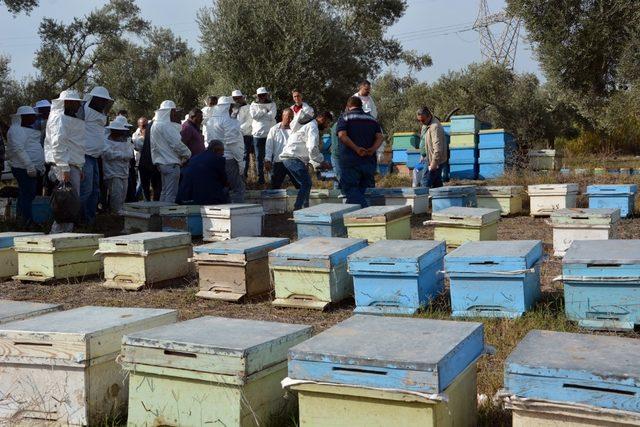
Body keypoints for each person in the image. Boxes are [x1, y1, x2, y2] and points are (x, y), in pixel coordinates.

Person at [44, 89, 86, 233]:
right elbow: (58, 143)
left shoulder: (67, 117)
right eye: (75, 103)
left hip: (71, 165)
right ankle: (56, 235)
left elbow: (75, 144)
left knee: (70, 203)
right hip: (63, 166)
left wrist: (79, 167)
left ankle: (65, 235)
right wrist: (64, 168)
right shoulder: (58, 117)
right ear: (66, 102)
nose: (77, 107)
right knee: (64, 203)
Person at [336, 96, 384, 207]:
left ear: (348, 107)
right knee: (364, 191)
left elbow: (342, 135)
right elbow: (380, 137)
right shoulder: (372, 119)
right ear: (361, 106)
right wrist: (372, 150)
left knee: (350, 190)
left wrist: (357, 149)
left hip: (351, 161)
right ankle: (354, 217)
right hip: (368, 161)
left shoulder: (344, 118)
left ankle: (367, 214)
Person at [280, 111, 332, 210]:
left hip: (291, 158)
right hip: (293, 158)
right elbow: (312, 148)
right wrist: (322, 161)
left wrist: (317, 162)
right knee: (307, 183)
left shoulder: (309, 125)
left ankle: (304, 208)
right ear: (322, 119)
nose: (327, 126)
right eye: (328, 123)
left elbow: (310, 151)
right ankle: (299, 209)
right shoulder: (313, 127)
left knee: (305, 183)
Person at [6, 106, 45, 224]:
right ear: (22, 117)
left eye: (34, 117)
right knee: (27, 194)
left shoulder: (24, 129)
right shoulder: (16, 130)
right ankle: (26, 220)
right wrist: (30, 166)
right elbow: (19, 149)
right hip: (23, 168)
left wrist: (39, 166)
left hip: (29, 167)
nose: (33, 119)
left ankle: (22, 219)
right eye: (31, 117)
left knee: (27, 194)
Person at [81, 86, 113, 225]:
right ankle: (80, 219)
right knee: (86, 190)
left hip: (94, 157)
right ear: (95, 99)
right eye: (102, 100)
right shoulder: (85, 110)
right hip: (84, 156)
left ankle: (89, 220)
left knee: (95, 190)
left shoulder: (100, 113)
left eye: (105, 101)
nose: (104, 104)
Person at [206, 96, 246, 203]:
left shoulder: (210, 121)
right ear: (227, 107)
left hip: (213, 160)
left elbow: (208, 141)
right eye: (231, 106)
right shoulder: (229, 121)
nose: (232, 109)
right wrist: (240, 161)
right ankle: (238, 215)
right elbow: (232, 144)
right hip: (229, 159)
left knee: (222, 188)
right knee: (238, 189)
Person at [150, 100, 191, 203]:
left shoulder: (155, 125)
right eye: (174, 111)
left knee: (164, 192)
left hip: (162, 164)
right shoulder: (166, 126)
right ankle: (167, 218)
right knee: (171, 195)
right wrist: (187, 153)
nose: (175, 114)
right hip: (171, 164)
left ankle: (160, 216)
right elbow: (176, 144)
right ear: (170, 112)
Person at [177, 139, 228, 205]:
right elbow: (224, 180)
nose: (223, 153)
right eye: (222, 150)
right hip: (203, 197)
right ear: (216, 150)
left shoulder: (195, 158)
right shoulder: (218, 159)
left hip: (185, 194)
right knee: (225, 191)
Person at [102, 116, 134, 214]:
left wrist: (118, 155)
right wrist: (122, 155)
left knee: (123, 192)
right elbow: (107, 154)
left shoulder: (126, 141)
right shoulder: (105, 140)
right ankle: (115, 212)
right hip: (112, 171)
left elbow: (130, 154)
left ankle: (119, 210)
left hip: (124, 170)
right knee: (116, 193)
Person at [264, 108, 299, 189]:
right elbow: (269, 146)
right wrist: (267, 160)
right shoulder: (274, 129)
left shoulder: (296, 129)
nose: (290, 119)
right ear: (283, 116)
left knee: (300, 186)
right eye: (288, 117)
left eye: (292, 117)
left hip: (293, 161)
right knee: (275, 187)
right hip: (279, 162)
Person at [249, 87, 276, 184]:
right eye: (260, 95)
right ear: (257, 96)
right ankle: (261, 179)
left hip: (270, 134)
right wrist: (265, 111)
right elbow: (254, 116)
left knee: (271, 157)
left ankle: (272, 178)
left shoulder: (272, 104)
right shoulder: (253, 104)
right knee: (259, 158)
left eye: (264, 95)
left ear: (267, 95)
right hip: (257, 135)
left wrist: (260, 114)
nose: (262, 97)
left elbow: (272, 116)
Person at [417, 106, 447, 189]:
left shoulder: (435, 127)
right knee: (437, 184)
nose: (421, 122)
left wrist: (434, 162)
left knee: (425, 182)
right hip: (429, 157)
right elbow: (424, 141)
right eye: (419, 120)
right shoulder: (426, 124)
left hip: (433, 159)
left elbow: (438, 146)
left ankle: (423, 201)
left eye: (422, 120)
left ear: (429, 116)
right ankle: (439, 201)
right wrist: (423, 155)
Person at [232, 90, 253, 179]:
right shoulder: (233, 108)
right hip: (235, 135)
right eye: (235, 98)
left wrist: (239, 129)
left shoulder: (248, 107)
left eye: (238, 98)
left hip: (245, 134)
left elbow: (250, 121)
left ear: (242, 98)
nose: (237, 100)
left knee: (244, 155)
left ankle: (243, 175)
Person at [33, 99, 51, 195]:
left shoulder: (51, 120)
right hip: (39, 154)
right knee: (39, 181)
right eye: (43, 109)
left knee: (49, 179)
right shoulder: (35, 122)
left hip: (48, 155)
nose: (45, 111)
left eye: (46, 109)